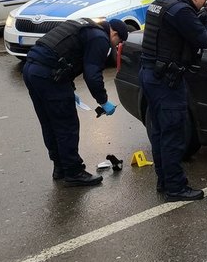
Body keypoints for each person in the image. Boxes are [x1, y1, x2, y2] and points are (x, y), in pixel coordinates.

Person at [139, 0, 207, 202]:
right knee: (173, 136)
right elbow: (203, 38)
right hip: (166, 81)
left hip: (150, 75)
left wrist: (205, 15)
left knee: (159, 133)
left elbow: (183, 30)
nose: (205, 4)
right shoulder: (181, 12)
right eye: (205, 0)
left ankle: (164, 181)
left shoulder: (163, 3)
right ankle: (176, 188)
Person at [22, 18, 128, 186]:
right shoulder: (100, 38)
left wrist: (68, 87)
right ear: (114, 33)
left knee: (49, 123)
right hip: (49, 76)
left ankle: (60, 168)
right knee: (67, 125)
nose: (115, 45)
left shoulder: (84, 26)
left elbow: (63, 54)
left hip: (31, 69)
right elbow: (92, 74)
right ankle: (73, 172)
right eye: (118, 41)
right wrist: (103, 101)